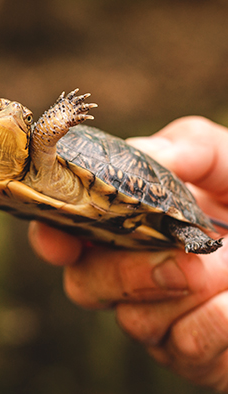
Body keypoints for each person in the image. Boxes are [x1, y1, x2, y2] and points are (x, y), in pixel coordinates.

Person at [28, 116, 228, 392]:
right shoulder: (17, 170)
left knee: (168, 222)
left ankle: (191, 234)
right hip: (99, 229)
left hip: (141, 205)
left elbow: (43, 138)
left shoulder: (46, 150)